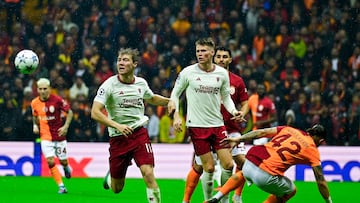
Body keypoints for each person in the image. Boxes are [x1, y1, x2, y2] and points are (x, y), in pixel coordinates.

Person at [168, 38, 245, 202]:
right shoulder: (187, 72)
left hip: (218, 125)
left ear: (212, 52)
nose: (200, 54)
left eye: (203, 51)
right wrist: (176, 116)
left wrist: (233, 111)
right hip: (197, 126)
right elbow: (174, 95)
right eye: (198, 51)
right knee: (208, 168)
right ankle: (208, 199)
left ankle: (223, 199)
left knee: (229, 165)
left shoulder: (222, 74)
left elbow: (226, 97)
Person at [91, 48, 169, 203]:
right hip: (118, 138)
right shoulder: (109, 85)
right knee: (117, 188)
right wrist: (117, 125)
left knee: (148, 173)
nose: (121, 62)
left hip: (139, 134)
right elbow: (95, 112)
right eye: (119, 59)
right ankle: (111, 177)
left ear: (135, 64)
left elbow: (152, 98)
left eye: (125, 60)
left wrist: (170, 101)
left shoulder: (141, 83)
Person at [204, 124, 333, 203]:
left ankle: (217, 196)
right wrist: (328, 201)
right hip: (265, 176)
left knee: (243, 172)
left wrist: (240, 139)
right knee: (292, 190)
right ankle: (232, 197)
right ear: (320, 140)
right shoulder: (312, 150)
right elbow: (321, 181)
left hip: (251, 161)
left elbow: (261, 132)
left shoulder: (289, 129)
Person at [31, 78, 73, 194]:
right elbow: (35, 115)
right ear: (37, 90)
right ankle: (61, 186)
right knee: (50, 162)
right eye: (40, 89)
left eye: (45, 89)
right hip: (45, 137)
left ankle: (65, 167)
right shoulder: (34, 103)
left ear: (49, 89)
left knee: (63, 161)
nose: (43, 91)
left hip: (59, 136)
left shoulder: (57, 100)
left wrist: (65, 127)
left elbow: (70, 112)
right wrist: (35, 125)